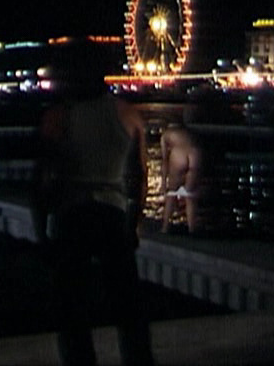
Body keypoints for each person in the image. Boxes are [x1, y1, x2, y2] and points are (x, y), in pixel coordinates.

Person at [35, 80, 154, 366]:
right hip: (112, 214)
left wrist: (42, 234)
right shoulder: (127, 114)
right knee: (128, 308)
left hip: (72, 215)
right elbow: (140, 176)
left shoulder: (57, 116)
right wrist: (134, 223)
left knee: (72, 310)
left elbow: (40, 181)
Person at [160, 124, 201, 234]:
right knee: (190, 196)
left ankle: (165, 227)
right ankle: (192, 229)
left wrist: (163, 182)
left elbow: (164, 161)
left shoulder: (166, 135)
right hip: (195, 154)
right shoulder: (188, 132)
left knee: (171, 193)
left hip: (179, 154)